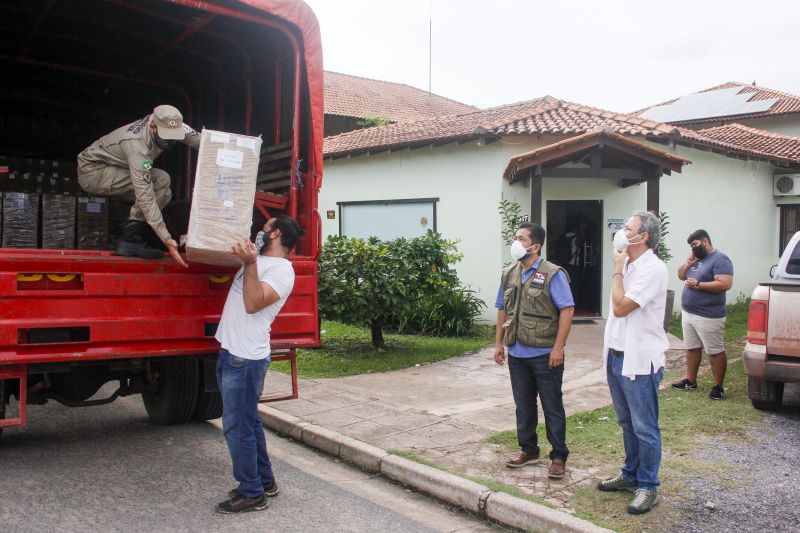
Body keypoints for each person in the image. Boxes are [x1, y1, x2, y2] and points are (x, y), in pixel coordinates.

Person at [214, 214, 303, 514]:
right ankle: (264, 482)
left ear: (275, 234)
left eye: (264, 229)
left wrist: (251, 264)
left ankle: (252, 493)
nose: (258, 233)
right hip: (232, 352)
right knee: (249, 422)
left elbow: (253, 304)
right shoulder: (258, 259)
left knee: (236, 428)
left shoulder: (282, 271)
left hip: (245, 360)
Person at [597, 211, 667, 515]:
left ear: (643, 237)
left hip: (639, 360)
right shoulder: (628, 263)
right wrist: (620, 268)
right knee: (627, 422)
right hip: (617, 355)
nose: (622, 233)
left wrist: (615, 271)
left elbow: (622, 306)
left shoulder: (653, 268)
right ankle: (630, 474)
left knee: (645, 426)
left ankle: (648, 486)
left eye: (627, 229)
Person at [494, 222, 575, 480]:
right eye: (515, 237)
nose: (516, 242)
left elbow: (567, 310)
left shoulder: (553, 273)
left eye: (521, 238)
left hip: (544, 353)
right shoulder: (509, 272)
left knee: (552, 406)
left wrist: (558, 347)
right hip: (517, 353)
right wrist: (498, 343)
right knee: (523, 406)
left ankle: (558, 456)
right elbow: (502, 308)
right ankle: (528, 450)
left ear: (535, 246)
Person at [77, 105, 201, 265]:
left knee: (163, 185)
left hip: (116, 165)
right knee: (156, 185)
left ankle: (128, 236)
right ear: (153, 127)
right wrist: (167, 238)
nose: (170, 141)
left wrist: (233, 150)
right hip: (94, 172)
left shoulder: (169, 121)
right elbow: (145, 195)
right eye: (166, 137)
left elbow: (200, 139)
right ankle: (128, 238)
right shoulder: (138, 148)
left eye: (174, 136)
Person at [672, 229, 734, 400]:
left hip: (709, 315)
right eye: (691, 246)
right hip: (689, 313)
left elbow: (725, 283)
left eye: (695, 245)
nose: (693, 249)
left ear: (705, 241)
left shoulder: (720, 259)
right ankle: (690, 381)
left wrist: (699, 285)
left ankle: (718, 387)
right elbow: (680, 275)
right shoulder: (696, 259)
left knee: (714, 351)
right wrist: (688, 263)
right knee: (692, 348)